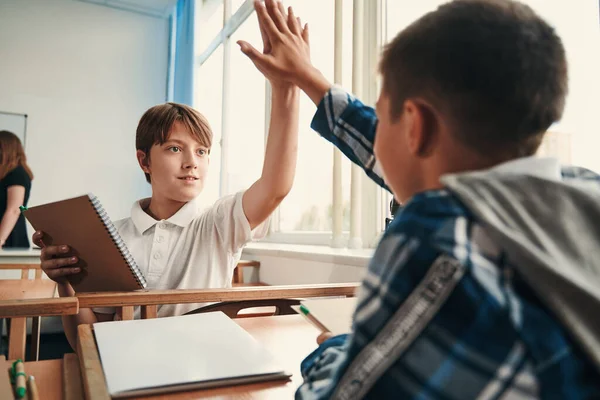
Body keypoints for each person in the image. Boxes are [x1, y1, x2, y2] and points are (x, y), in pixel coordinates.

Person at [239, 0, 600, 398]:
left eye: (383, 114)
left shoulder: (438, 235)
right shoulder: (578, 193)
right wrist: (307, 78)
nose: (378, 132)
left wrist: (339, 350)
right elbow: (418, 161)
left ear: (416, 125)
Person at [33, 64, 300, 350]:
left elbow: (275, 188)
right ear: (144, 161)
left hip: (200, 368)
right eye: (175, 148)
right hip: (129, 371)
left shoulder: (218, 223)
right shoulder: (112, 237)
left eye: (201, 151)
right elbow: (86, 341)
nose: (191, 162)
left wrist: (286, 88)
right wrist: (66, 284)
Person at [0, 130, 33, 249]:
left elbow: (15, 209)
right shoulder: (6, 174)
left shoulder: (17, 173)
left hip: (9, 238)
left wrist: (0, 240)